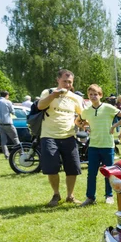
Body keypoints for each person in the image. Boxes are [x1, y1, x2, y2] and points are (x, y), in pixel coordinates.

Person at [37, 69, 84, 207]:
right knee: (51, 168)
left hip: (69, 135)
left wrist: (83, 122)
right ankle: (56, 194)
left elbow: (81, 117)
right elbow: (40, 106)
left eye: (70, 82)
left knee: (73, 168)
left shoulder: (76, 98)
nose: (67, 84)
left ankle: (70, 196)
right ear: (58, 80)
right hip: (49, 136)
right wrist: (53, 95)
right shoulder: (48, 92)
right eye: (65, 81)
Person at [78, 84, 121, 206]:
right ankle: (90, 197)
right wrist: (84, 126)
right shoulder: (87, 111)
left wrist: (113, 126)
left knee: (109, 172)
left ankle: (109, 196)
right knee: (91, 173)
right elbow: (78, 120)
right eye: (90, 94)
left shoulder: (108, 107)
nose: (93, 96)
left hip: (107, 145)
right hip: (93, 146)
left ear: (100, 95)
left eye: (95, 94)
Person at [0, 90, 19, 159]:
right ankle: (21, 152)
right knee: (15, 138)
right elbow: (13, 112)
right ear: (7, 95)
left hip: (0, 124)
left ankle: (6, 155)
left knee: (3, 141)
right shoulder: (8, 102)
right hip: (8, 123)